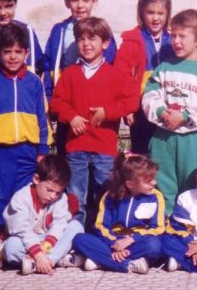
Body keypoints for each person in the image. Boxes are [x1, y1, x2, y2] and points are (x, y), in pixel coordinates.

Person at [49, 16, 139, 225]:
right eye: (81, 39)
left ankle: (102, 233)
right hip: (76, 147)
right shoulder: (70, 73)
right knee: (75, 198)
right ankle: (75, 235)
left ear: (105, 43)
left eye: (92, 39)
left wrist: (107, 113)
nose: (86, 44)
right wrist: (71, 117)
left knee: (104, 196)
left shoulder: (115, 74)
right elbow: (57, 102)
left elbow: (131, 101)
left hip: (104, 148)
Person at [141, 8, 197, 215]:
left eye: (182, 36)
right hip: (163, 136)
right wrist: (161, 111)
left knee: (192, 182)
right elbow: (150, 94)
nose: (176, 41)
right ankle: (164, 222)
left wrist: (184, 116)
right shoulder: (164, 67)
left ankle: (188, 224)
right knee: (162, 181)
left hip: (193, 137)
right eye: (174, 35)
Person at [0, 23, 51, 227]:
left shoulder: (34, 82)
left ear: (27, 53)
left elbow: (42, 117)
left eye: (18, 52)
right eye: (7, 51)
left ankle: (19, 233)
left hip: (28, 149)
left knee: (24, 194)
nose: (13, 57)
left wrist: (42, 148)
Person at [72, 152, 165, 274]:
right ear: (130, 184)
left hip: (137, 242)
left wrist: (131, 239)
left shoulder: (156, 196)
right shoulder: (110, 196)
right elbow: (101, 226)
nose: (154, 183)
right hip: (112, 241)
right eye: (148, 181)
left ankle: (101, 260)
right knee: (79, 239)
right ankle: (126, 265)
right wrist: (115, 245)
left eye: (153, 179)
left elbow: (158, 228)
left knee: (154, 246)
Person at [2, 154, 83, 276]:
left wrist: (46, 246)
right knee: (11, 247)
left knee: (76, 226)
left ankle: (46, 261)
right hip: (25, 240)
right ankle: (60, 259)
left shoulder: (60, 198)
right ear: (36, 179)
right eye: (49, 190)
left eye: (58, 192)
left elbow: (59, 224)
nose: (53, 196)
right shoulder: (20, 198)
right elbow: (22, 230)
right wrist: (38, 254)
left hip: (49, 241)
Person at [121, 0, 171, 154]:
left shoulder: (173, 40)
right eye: (150, 12)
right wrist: (128, 108)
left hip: (166, 105)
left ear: (167, 14)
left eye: (160, 13)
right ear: (142, 13)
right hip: (139, 106)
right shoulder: (131, 40)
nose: (156, 18)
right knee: (141, 154)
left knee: (163, 152)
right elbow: (123, 76)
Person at [43, 0, 102, 104]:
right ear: (67, 2)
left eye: (85, 0)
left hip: (94, 96)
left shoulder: (102, 30)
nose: (80, 5)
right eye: (75, 0)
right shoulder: (59, 31)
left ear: (94, 2)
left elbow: (110, 63)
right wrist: (50, 98)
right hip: (66, 96)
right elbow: (48, 67)